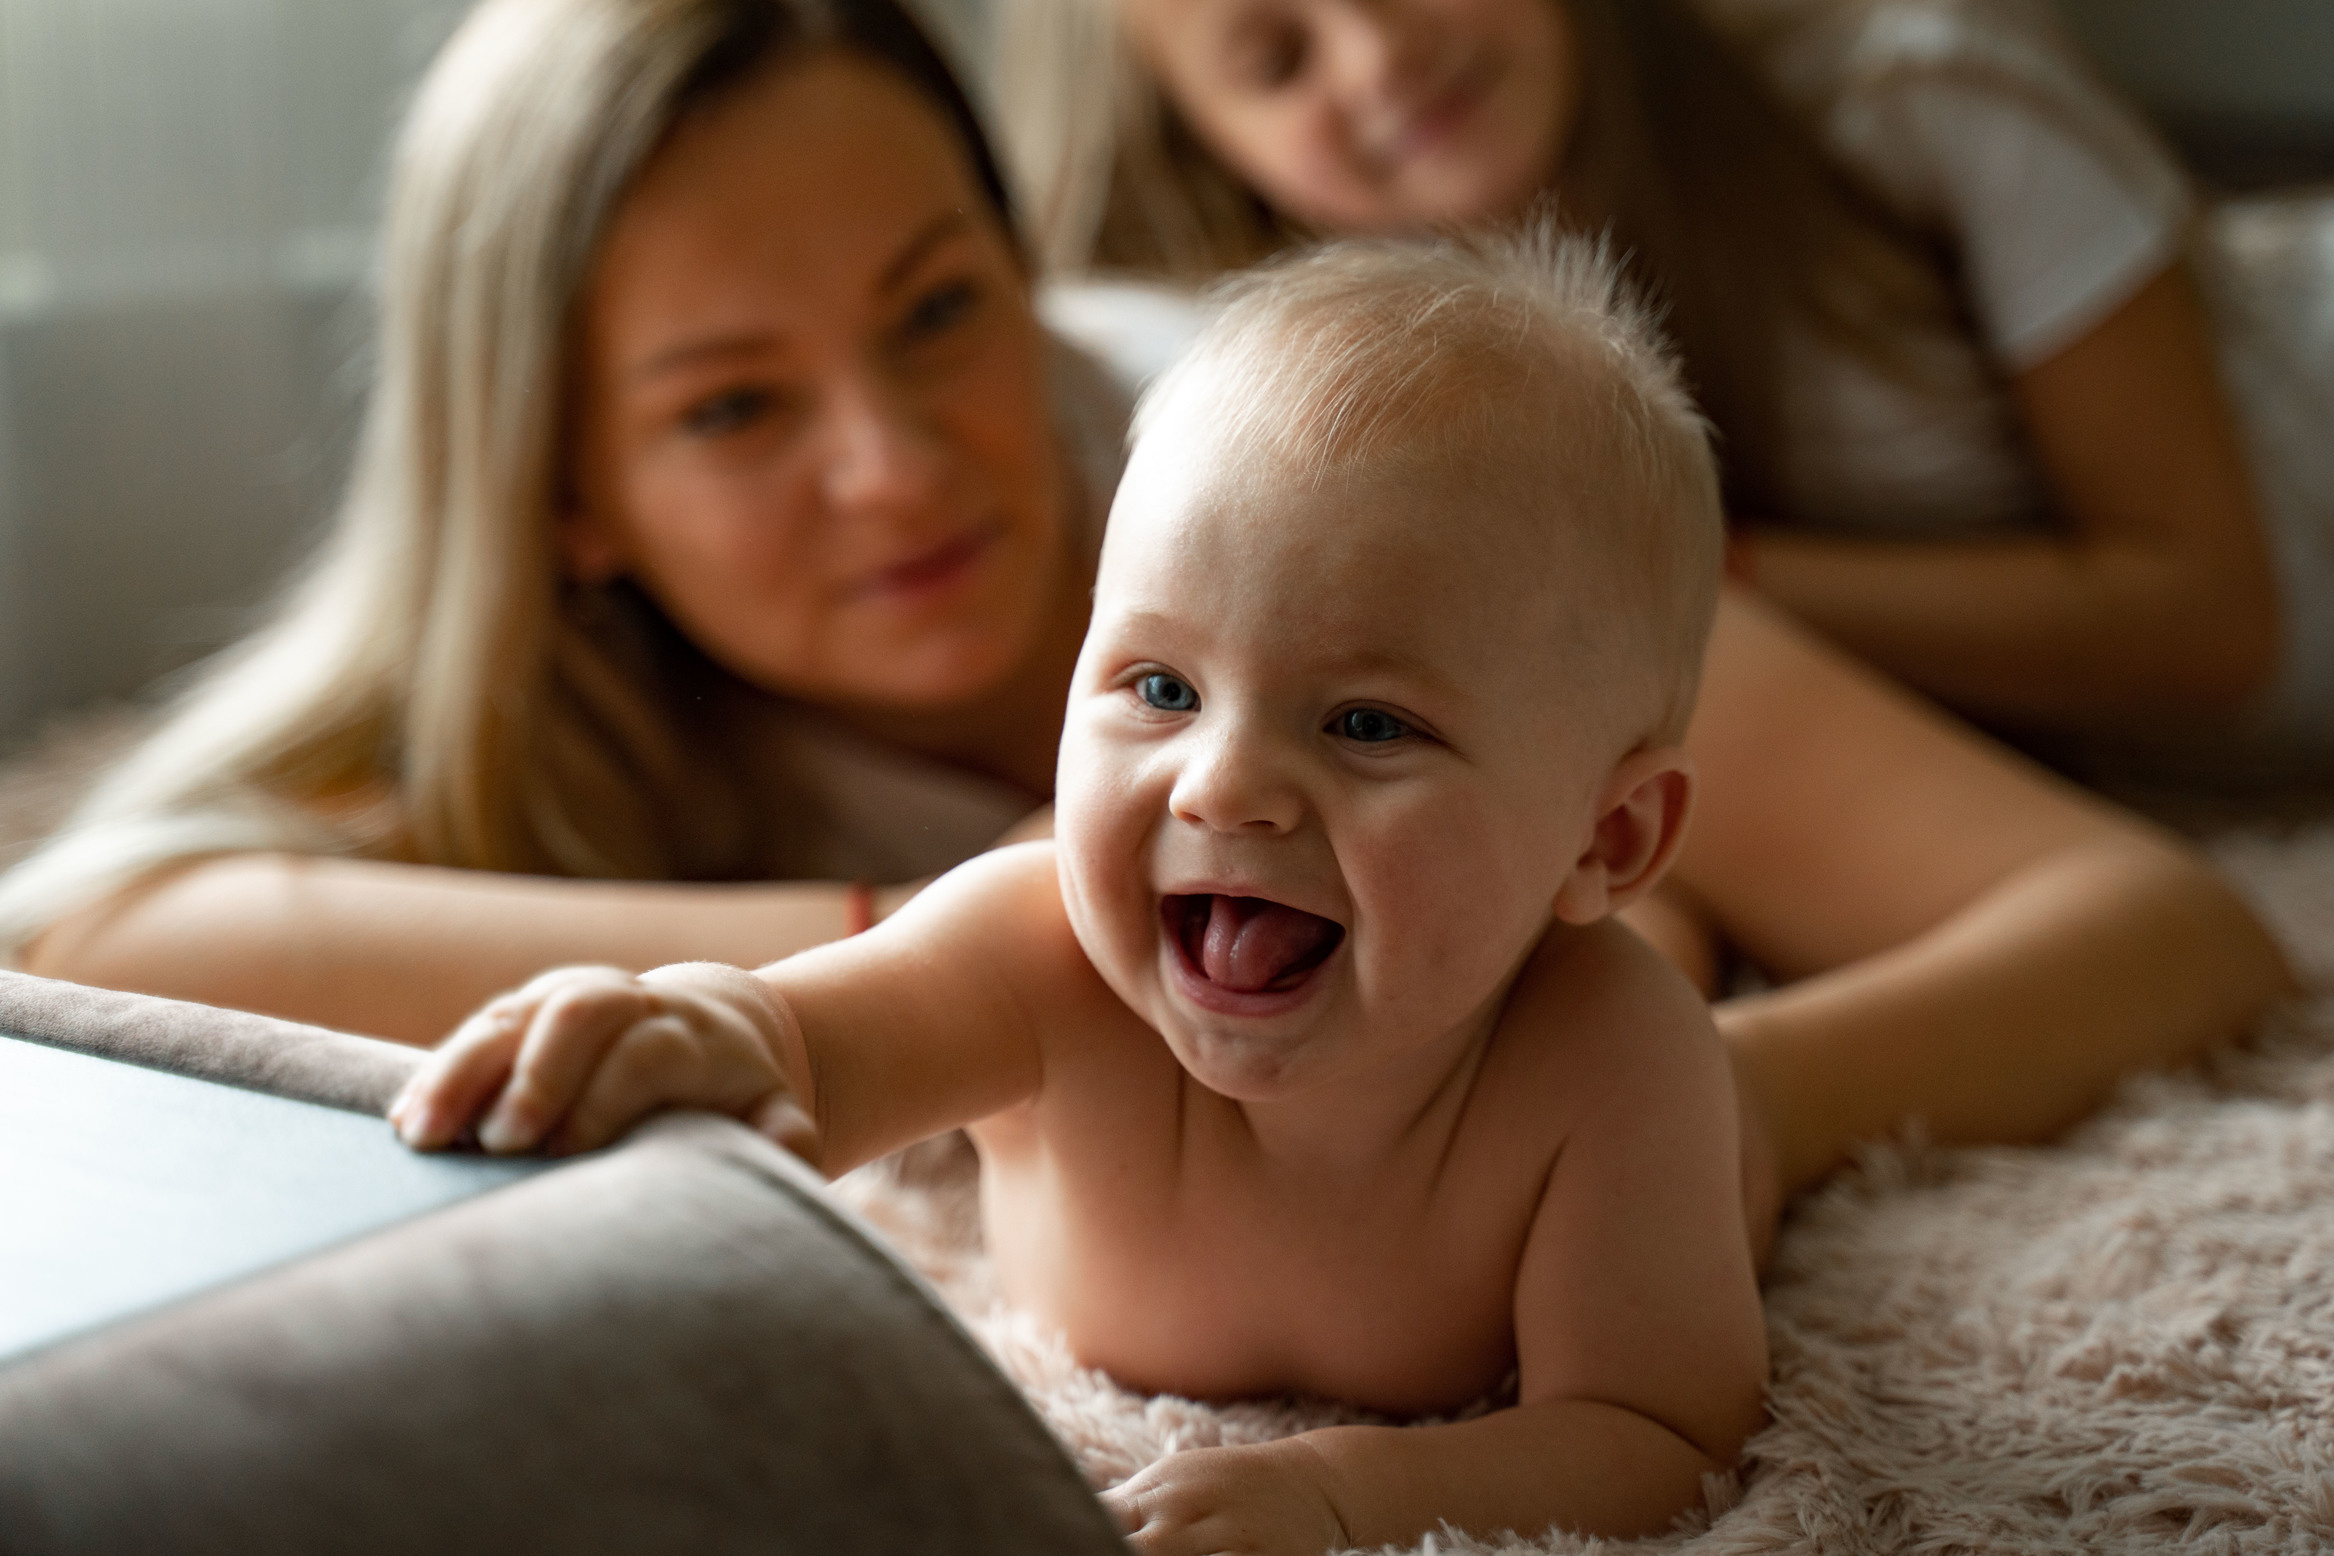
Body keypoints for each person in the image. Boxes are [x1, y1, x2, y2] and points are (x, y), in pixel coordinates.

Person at [0, 0, 2288, 1229]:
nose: (897, 466)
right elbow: (88, 928)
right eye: (731, 408)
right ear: (567, 503)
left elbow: (2150, 923)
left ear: (1030, 275)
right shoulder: (590, 688)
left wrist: (1675, 1111)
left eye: (934, 310)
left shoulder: (1354, 492)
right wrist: (899, 971)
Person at [394, 230, 1769, 1554]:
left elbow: (1658, 1429)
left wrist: (1344, 1493)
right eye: (1160, 688)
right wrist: (689, 1025)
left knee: (1742, 1116)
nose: (1220, 788)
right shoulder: (1032, 949)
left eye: (1367, 724)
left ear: (1608, 839)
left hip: (1666, 1087)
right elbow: (797, 1049)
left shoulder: (1615, 1064)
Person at [991, 0, 2334, 780]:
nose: (1377, 55)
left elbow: (2212, 619)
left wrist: (1713, 580)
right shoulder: (1319, 350)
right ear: (1213, 158)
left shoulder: (1907, 50)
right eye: (1276, 63)